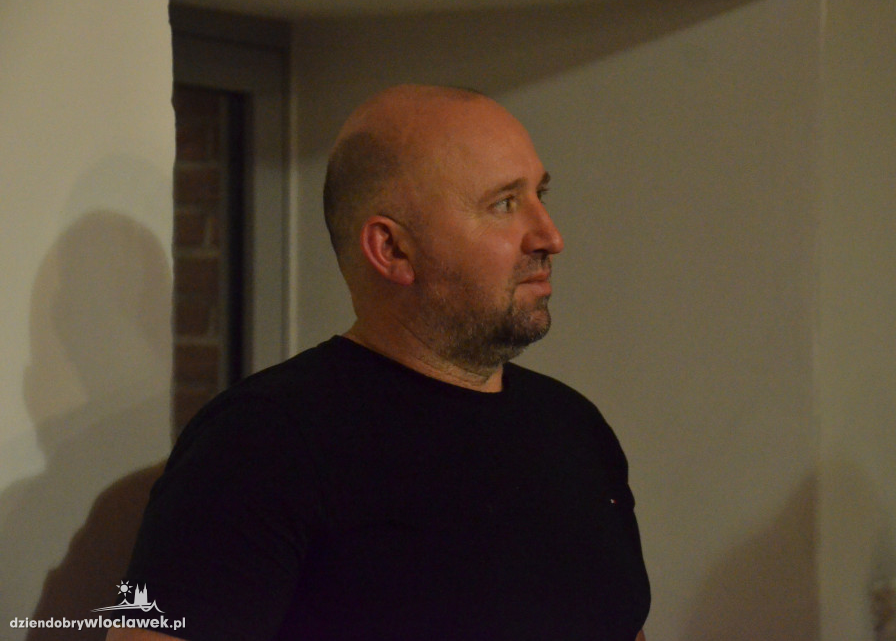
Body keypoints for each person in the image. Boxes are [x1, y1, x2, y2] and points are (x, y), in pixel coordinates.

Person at [107, 84, 649, 641]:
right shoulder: (261, 443)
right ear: (391, 250)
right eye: (505, 204)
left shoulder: (574, 426)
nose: (551, 236)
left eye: (541, 193)